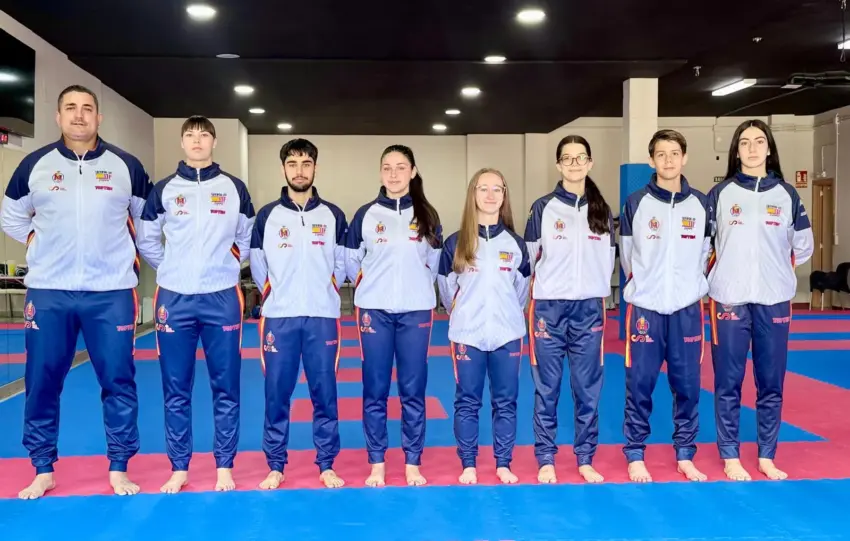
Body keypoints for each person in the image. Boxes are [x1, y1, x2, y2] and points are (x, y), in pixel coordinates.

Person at [0, 85, 151, 499]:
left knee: (118, 380)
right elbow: (10, 215)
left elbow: (147, 221)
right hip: (50, 291)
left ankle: (119, 466)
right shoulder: (35, 164)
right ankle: (42, 467)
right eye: (70, 108)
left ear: (99, 117)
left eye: (87, 109)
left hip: (111, 292)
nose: (79, 116)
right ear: (58, 116)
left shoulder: (127, 166)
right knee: (42, 380)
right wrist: (36, 242)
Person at [137, 116, 255, 494]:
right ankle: (179, 467)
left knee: (226, 386)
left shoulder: (234, 188)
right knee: (176, 387)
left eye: (204, 135)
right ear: (183, 143)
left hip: (222, 296)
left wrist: (223, 267)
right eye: (191, 135)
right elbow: (147, 240)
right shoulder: (164, 190)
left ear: (214, 141)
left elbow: (248, 238)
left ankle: (224, 465)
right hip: (174, 297)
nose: (198, 141)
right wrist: (174, 269)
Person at [706, 119, 813, 481]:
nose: (752, 148)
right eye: (745, 143)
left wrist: (778, 270)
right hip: (729, 300)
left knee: (771, 381)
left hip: (774, 301)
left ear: (769, 149)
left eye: (759, 141)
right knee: (728, 381)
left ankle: (767, 454)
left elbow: (804, 245)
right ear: (736, 151)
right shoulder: (720, 195)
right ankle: (730, 455)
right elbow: (706, 245)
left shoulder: (787, 195)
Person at [249, 138, 347, 489]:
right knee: (277, 393)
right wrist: (279, 294)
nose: (300, 170)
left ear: (315, 168)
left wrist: (326, 292)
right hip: (280, 317)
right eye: (293, 164)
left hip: (322, 316)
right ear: (283, 169)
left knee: (325, 393)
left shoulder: (333, 215)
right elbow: (259, 268)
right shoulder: (267, 216)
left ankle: (326, 463)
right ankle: (276, 464)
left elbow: (342, 266)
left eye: (306, 163)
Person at [344, 144, 442, 487]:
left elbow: (433, 265)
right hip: (374, 312)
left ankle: (413, 461)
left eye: (402, 167)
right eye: (387, 167)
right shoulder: (365, 215)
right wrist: (372, 289)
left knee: (413, 389)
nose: (395, 173)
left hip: (416, 311)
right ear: (380, 172)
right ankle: (377, 462)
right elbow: (350, 262)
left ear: (413, 171)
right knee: (375, 388)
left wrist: (414, 289)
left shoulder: (427, 214)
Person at [619, 129, 711, 483]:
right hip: (646, 308)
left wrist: (687, 286)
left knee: (687, 384)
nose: (669, 160)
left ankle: (685, 453)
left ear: (684, 157)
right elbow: (628, 257)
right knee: (639, 383)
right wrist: (648, 285)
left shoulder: (701, 204)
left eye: (675, 153)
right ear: (651, 160)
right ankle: (635, 452)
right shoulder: (636, 202)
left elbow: (705, 254)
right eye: (661, 154)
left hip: (687, 309)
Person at [524, 135, 615, 484]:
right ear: (559, 165)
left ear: (590, 163)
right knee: (547, 387)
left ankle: (585, 456)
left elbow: (607, 260)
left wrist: (587, 288)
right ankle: (546, 456)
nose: (575, 164)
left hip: (589, 309)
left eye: (581, 158)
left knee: (587, 386)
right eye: (568, 158)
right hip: (548, 308)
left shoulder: (601, 209)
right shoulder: (542, 208)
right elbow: (531, 259)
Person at [437, 168, 530, 485]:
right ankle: (468, 464)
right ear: (472, 194)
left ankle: (503, 462)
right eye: (483, 188)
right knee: (467, 400)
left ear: (504, 196)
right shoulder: (455, 243)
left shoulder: (516, 244)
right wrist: (465, 314)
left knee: (506, 401)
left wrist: (504, 315)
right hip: (467, 334)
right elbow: (447, 291)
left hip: (507, 334)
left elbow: (521, 291)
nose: (490, 195)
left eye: (497, 189)